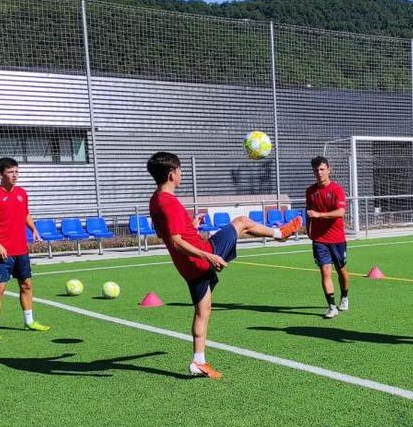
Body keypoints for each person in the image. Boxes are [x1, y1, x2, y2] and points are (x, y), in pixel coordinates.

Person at [147, 152, 302, 379]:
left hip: (188, 268)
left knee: (203, 312)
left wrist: (190, 225)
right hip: (202, 256)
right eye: (180, 171)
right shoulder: (168, 202)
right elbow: (176, 241)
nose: (182, 174)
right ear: (172, 174)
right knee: (242, 223)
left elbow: (166, 234)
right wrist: (207, 256)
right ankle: (280, 233)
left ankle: (198, 361)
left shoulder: (155, 200)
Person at [0, 157, 48, 341]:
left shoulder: (22, 193)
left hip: (21, 250)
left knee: (26, 285)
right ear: (1, 174)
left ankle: (29, 322)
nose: (15, 175)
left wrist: (33, 229)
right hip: (2, 251)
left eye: (16, 171)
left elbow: (25, 213)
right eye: (10, 172)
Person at [305, 156, 350, 319]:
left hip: (337, 238)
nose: (319, 172)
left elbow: (340, 212)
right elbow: (309, 211)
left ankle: (344, 296)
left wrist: (319, 215)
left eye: (322, 169)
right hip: (319, 239)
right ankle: (331, 306)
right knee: (325, 271)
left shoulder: (337, 189)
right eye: (316, 170)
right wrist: (309, 229)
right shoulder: (310, 191)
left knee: (342, 271)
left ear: (328, 170)